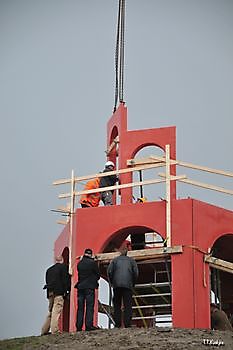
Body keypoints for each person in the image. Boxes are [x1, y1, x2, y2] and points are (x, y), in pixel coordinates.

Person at [107, 247, 138, 328]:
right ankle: (127, 324)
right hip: (128, 285)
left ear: (120, 252)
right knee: (128, 305)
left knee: (117, 304)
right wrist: (133, 283)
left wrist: (112, 281)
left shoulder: (114, 260)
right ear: (127, 252)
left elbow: (109, 271)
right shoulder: (131, 261)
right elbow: (136, 273)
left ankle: (117, 324)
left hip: (116, 285)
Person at [41, 255, 71, 335]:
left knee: (50, 311)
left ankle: (44, 330)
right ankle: (55, 330)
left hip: (50, 292)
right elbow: (65, 280)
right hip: (59, 292)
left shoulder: (49, 270)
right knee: (56, 311)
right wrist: (67, 291)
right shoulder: (63, 268)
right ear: (62, 260)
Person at [75, 248, 100, 331]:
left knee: (80, 307)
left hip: (80, 287)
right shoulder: (92, 263)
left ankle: (78, 326)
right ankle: (88, 325)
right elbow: (98, 274)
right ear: (91, 254)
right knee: (89, 307)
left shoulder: (80, 263)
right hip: (89, 287)